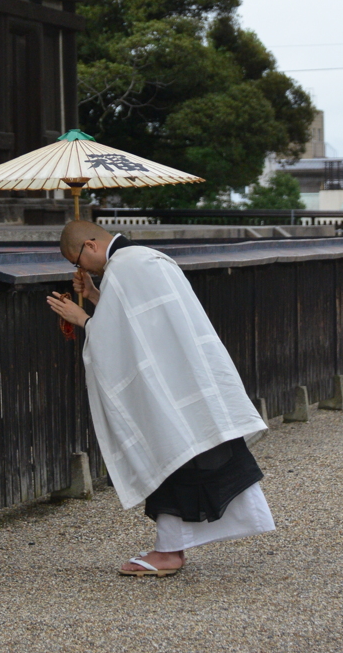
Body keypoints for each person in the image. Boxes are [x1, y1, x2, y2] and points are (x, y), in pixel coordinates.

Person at [47, 221, 274, 577]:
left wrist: (83, 319)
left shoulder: (126, 267)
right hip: (180, 374)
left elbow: (121, 336)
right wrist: (93, 295)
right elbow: (140, 322)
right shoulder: (144, 259)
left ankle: (169, 552)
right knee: (186, 449)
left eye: (76, 260)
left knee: (172, 451)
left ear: (90, 245)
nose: (79, 269)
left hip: (167, 382)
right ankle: (170, 548)